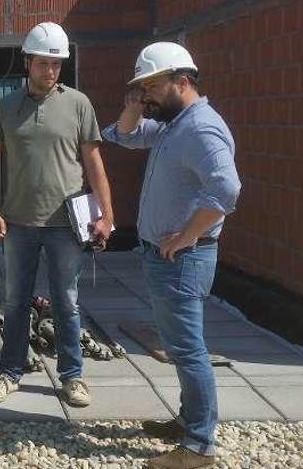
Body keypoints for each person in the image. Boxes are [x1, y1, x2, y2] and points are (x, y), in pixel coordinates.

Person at [102, 41, 241, 469]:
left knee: (188, 348)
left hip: (182, 259)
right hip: (167, 259)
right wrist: (133, 104)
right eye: (141, 89)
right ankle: (188, 422)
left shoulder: (200, 127)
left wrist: (186, 235)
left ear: (182, 81)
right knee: (181, 347)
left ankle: (199, 445)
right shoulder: (172, 123)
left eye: (152, 86)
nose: (147, 97)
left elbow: (226, 189)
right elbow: (123, 136)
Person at [0, 22, 114, 406]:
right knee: (15, 301)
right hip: (18, 224)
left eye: (57, 64)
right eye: (43, 63)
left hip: (65, 225)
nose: (50, 71)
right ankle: (9, 373)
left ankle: (72, 377)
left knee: (66, 302)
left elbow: (94, 164)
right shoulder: (6, 108)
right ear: (28, 62)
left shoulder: (78, 104)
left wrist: (106, 216)